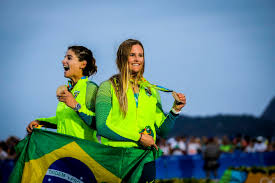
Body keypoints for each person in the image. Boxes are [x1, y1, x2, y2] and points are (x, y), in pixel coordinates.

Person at [96, 39, 186, 182]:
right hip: (117, 158)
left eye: (140, 55)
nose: (137, 59)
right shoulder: (107, 87)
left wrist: (175, 110)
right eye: (132, 55)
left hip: (145, 159)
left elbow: (163, 131)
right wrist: (138, 138)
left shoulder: (151, 90)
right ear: (122, 58)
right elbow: (102, 127)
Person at [26, 46, 98, 142]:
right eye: (65, 57)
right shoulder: (67, 90)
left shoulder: (90, 88)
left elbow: (98, 123)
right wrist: (40, 122)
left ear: (83, 64)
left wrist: (76, 106)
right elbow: (62, 120)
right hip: (65, 149)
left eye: (69, 58)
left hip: (84, 151)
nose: (63, 61)